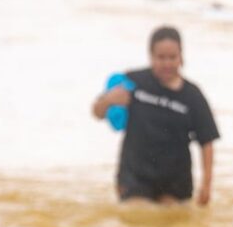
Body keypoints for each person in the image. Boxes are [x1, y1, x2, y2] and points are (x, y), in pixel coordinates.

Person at [91, 26, 219, 205]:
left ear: (181, 57)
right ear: (150, 56)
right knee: (138, 219)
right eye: (161, 57)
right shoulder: (133, 82)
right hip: (135, 177)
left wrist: (206, 185)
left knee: (171, 226)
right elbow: (96, 113)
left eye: (172, 57)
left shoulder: (193, 96)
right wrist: (107, 100)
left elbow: (207, 142)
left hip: (175, 182)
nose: (167, 64)